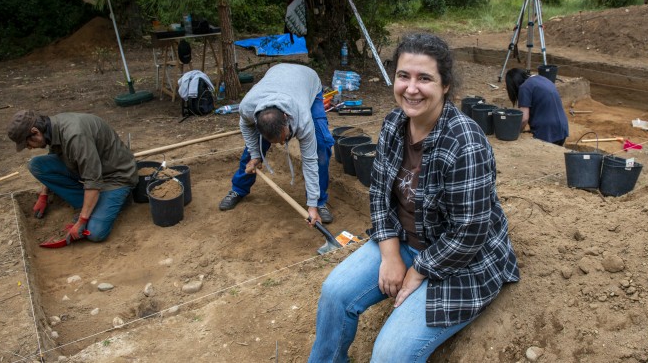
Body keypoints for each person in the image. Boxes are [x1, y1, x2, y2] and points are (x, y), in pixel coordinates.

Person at [308, 34, 519, 362]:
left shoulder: (466, 144)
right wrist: (391, 256)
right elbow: (379, 192)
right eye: (404, 76)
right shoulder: (394, 123)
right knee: (335, 294)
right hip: (404, 240)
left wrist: (417, 270)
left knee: (390, 354)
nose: (411, 88)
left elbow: (469, 234)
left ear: (445, 85)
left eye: (425, 78)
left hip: (460, 263)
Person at [218, 63, 335, 225]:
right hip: (277, 77)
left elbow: (309, 160)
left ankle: (319, 201)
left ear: (287, 117)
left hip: (308, 82)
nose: (281, 144)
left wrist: (312, 206)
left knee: (321, 145)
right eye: (277, 142)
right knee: (256, 144)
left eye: (284, 138)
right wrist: (255, 154)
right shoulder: (247, 107)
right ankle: (238, 189)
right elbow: (245, 125)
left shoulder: (302, 118)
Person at [7, 110, 137, 242]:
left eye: (27, 144)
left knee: (95, 232)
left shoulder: (75, 135)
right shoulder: (51, 127)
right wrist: (43, 194)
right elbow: (55, 156)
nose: (29, 148)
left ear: (35, 132)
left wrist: (82, 221)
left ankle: (118, 200)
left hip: (116, 177)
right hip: (91, 169)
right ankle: (90, 204)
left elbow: (93, 181)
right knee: (36, 165)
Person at [505, 68, 569, 146]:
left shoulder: (524, 88)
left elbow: (524, 119)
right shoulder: (542, 78)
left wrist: (516, 132)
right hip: (562, 128)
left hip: (547, 131)